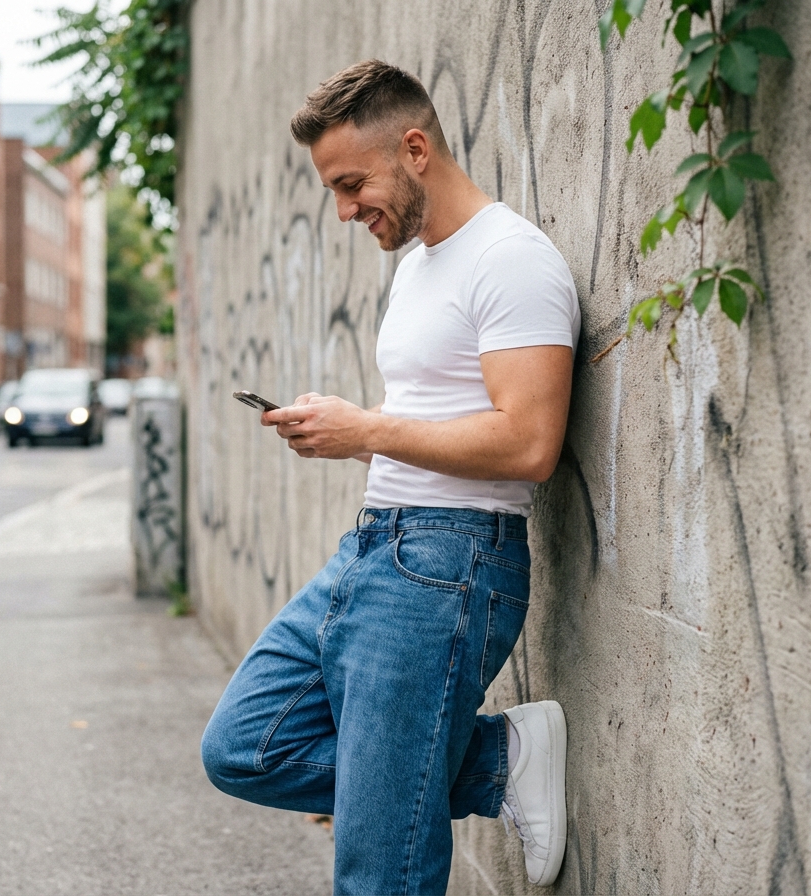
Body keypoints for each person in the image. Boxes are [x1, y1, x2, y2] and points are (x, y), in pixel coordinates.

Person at [201, 59, 580, 894]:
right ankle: (492, 761)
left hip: (448, 565)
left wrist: (366, 429)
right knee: (243, 746)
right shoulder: (417, 264)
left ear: (415, 148)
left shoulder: (512, 258)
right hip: (375, 549)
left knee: (378, 871)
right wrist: (348, 431)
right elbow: (437, 419)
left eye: (351, 183)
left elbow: (527, 444)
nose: (343, 211)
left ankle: (443, 771)